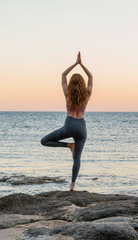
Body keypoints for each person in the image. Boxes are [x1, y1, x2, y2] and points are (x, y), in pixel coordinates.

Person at [41, 51, 93, 191]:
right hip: (82, 126)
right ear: (82, 83)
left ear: (71, 82)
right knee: (77, 158)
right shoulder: (87, 94)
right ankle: (72, 185)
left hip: (69, 124)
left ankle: (68, 145)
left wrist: (75, 63)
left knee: (44, 141)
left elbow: (63, 75)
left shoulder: (67, 92)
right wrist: (81, 64)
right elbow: (91, 76)